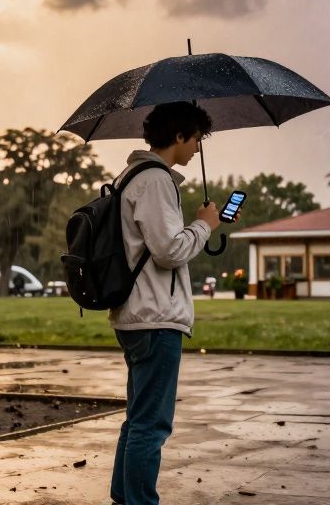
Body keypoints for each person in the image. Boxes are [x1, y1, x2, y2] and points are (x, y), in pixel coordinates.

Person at [108, 101, 225, 505]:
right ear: (179, 136)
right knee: (151, 425)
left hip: (138, 315)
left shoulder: (132, 176)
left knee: (138, 419)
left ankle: (124, 498)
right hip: (155, 318)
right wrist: (204, 225)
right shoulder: (155, 180)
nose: (196, 149)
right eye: (196, 139)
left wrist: (198, 225)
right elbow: (168, 251)